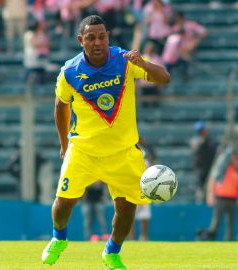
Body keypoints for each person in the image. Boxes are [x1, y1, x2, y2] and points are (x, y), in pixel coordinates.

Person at [41, 15, 170, 269]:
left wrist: (142, 62)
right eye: (91, 37)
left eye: (102, 36)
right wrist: (64, 144)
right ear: (81, 40)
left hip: (123, 153)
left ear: (108, 37)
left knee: (126, 208)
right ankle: (59, 238)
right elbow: (60, 106)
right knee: (62, 203)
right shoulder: (69, 72)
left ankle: (111, 251)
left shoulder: (124, 61)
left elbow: (163, 78)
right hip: (83, 151)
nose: (97, 42)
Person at [205, 147, 238, 241]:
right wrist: (210, 194)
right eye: (233, 156)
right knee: (216, 222)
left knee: (230, 224)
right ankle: (210, 240)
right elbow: (213, 179)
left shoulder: (236, 169)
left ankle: (228, 242)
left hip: (232, 199)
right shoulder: (223, 168)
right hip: (221, 198)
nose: (235, 158)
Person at [189, 121, 217, 203]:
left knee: (210, 188)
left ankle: (209, 202)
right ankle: (200, 202)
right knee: (201, 189)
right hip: (200, 169)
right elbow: (198, 146)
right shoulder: (195, 141)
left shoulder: (210, 141)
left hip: (210, 168)